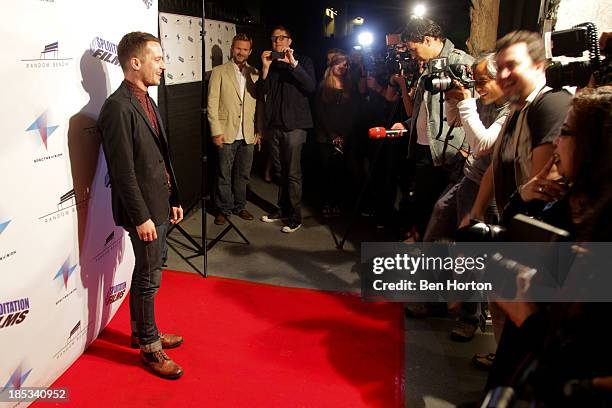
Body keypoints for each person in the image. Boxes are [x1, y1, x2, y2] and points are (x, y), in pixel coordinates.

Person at [483, 86, 612, 406]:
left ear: (595, 146)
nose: (556, 141)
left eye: (566, 132)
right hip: (522, 361)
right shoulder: (566, 196)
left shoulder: (601, 228)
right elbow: (514, 231)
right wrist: (526, 192)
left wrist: (526, 314)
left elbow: (580, 353)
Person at [98, 32, 184, 379]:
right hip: (143, 211)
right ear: (136, 63)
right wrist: (142, 217)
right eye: (158, 58)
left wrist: (173, 198)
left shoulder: (147, 99)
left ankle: (140, 332)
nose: (164, 65)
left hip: (159, 203)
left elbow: (160, 158)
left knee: (148, 274)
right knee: (149, 278)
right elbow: (123, 171)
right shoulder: (117, 107)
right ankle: (149, 348)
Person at [424, 53, 509, 341]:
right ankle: (434, 301)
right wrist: (453, 99)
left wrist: (466, 100)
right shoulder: (482, 101)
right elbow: (455, 122)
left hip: (490, 189)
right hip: (467, 178)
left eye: (483, 80)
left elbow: (482, 144)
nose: (478, 85)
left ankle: (471, 317)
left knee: (473, 255)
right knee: (436, 231)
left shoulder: (510, 110)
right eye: (476, 79)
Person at [391, 17, 474, 240]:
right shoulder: (429, 66)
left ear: (427, 40)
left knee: (443, 210)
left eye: (413, 49)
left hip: (448, 151)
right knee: (424, 202)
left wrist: (465, 148)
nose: (412, 55)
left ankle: (436, 260)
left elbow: (475, 107)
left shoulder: (461, 63)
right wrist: (408, 124)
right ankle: (423, 245)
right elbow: (425, 111)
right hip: (423, 147)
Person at [258, 26, 316, 233]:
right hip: (275, 125)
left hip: (296, 126)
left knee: (292, 173)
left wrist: (293, 65)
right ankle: (282, 209)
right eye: (274, 38)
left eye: (281, 38)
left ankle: (295, 216)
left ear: (290, 41)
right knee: (280, 171)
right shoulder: (271, 64)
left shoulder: (304, 61)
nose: (277, 42)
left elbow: (310, 87)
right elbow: (260, 92)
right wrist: (265, 68)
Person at [207, 33, 261, 226]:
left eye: (245, 49)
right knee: (224, 173)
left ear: (250, 51)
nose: (241, 52)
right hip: (226, 132)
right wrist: (216, 131)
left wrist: (258, 132)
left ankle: (239, 206)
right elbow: (212, 103)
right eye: (238, 48)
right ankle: (223, 209)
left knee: (243, 174)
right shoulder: (219, 71)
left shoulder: (255, 72)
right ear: (232, 48)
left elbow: (259, 105)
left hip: (248, 133)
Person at [314, 53, 359, 217]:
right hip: (325, 136)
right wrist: (332, 135)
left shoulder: (350, 86)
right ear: (332, 66)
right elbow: (320, 113)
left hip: (344, 137)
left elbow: (353, 113)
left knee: (341, 173)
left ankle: (338, 204)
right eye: (339, 64)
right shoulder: (323, 86)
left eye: (346, 65)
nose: (343, 67)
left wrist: (343, 136)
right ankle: (326, 203)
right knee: (326, 171)